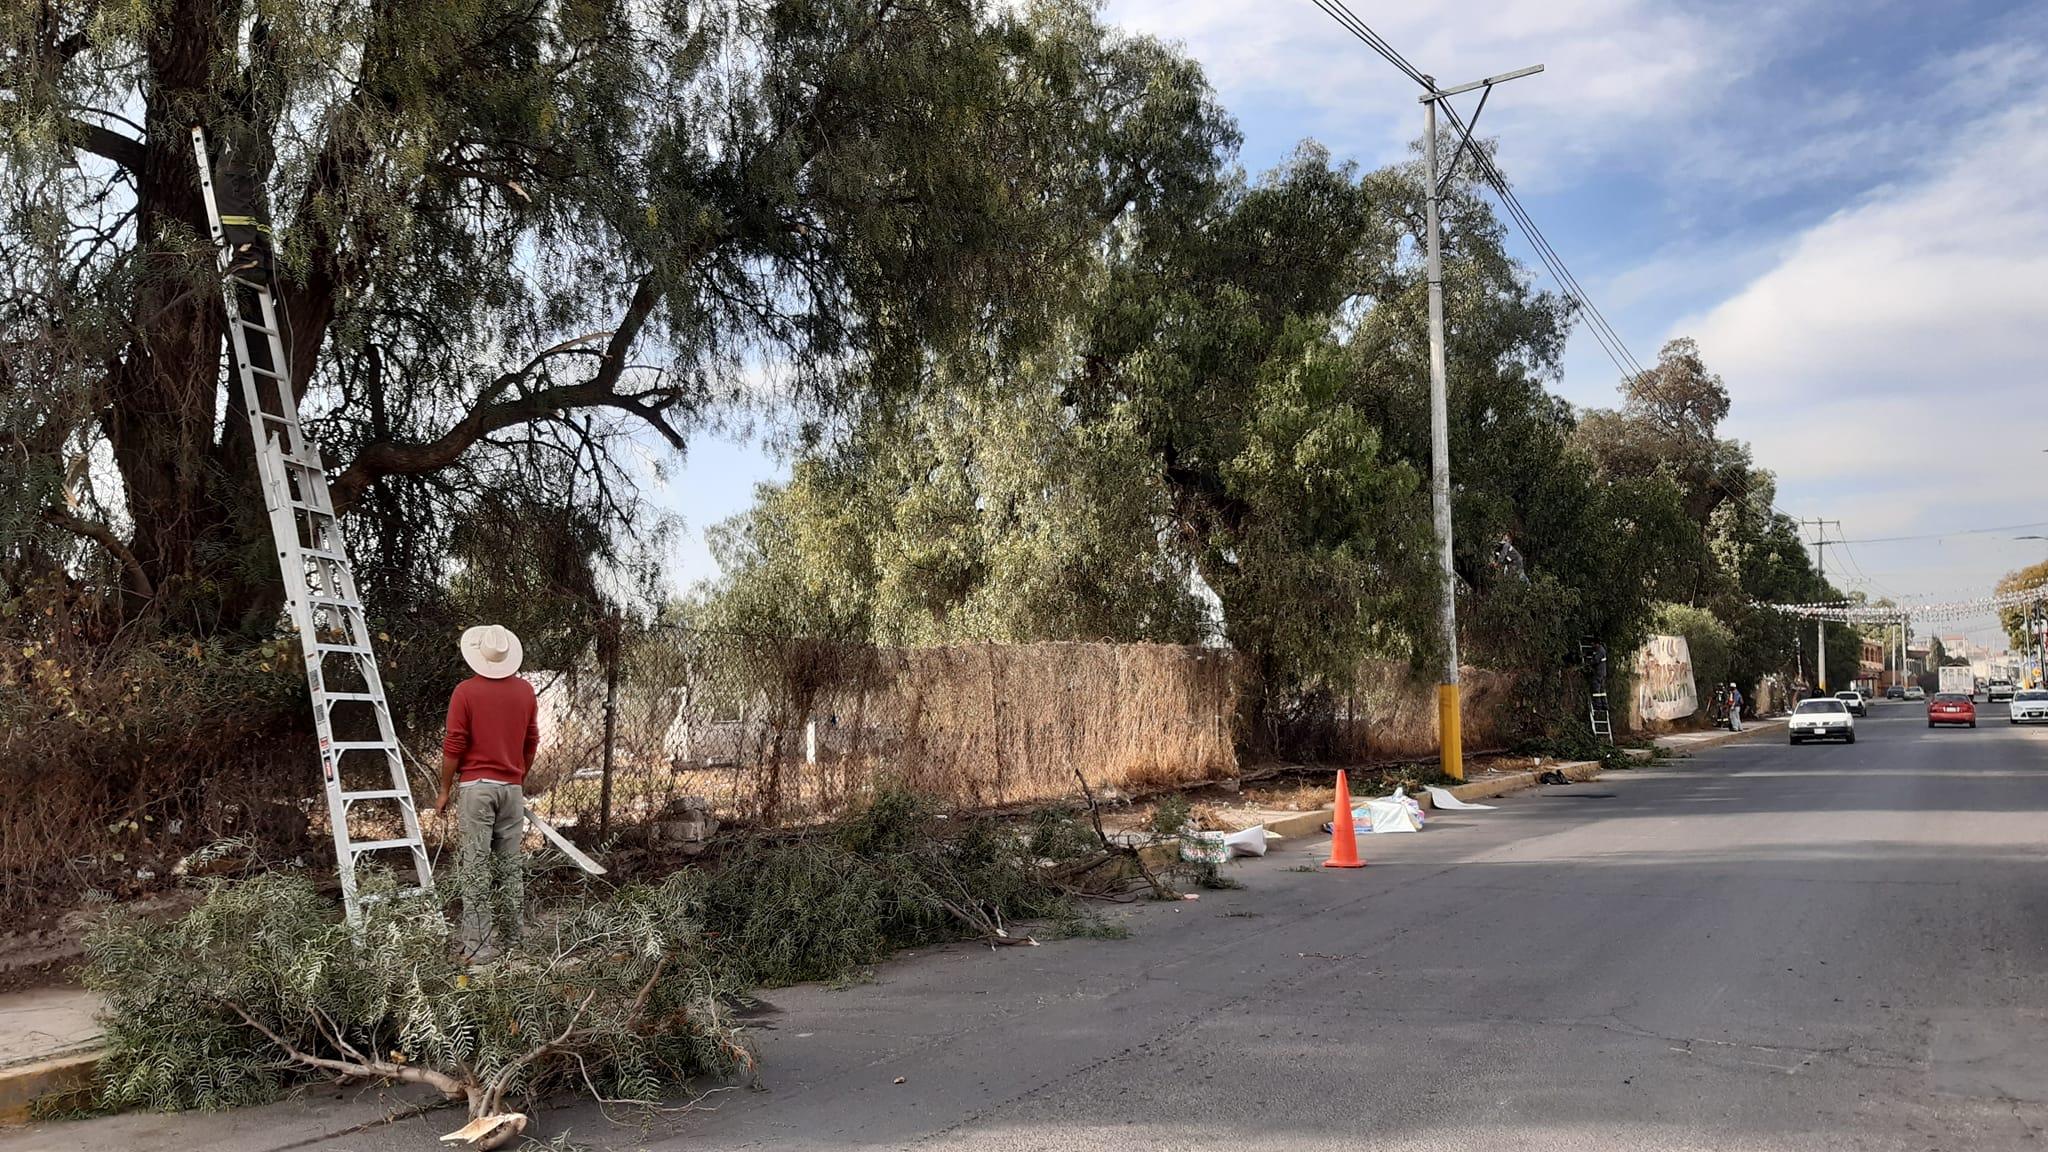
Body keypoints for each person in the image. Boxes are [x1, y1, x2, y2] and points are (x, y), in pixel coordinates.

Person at [431, 624, 538, 962]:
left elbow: (455, 744)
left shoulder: (465, 692)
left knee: (476, 868)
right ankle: (512, 942)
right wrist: (517, 776)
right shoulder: (525, 692)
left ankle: (478, 947)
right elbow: (531, 741)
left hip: (476, 789)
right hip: (512, 790)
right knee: (509, 867)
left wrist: (444, 789)